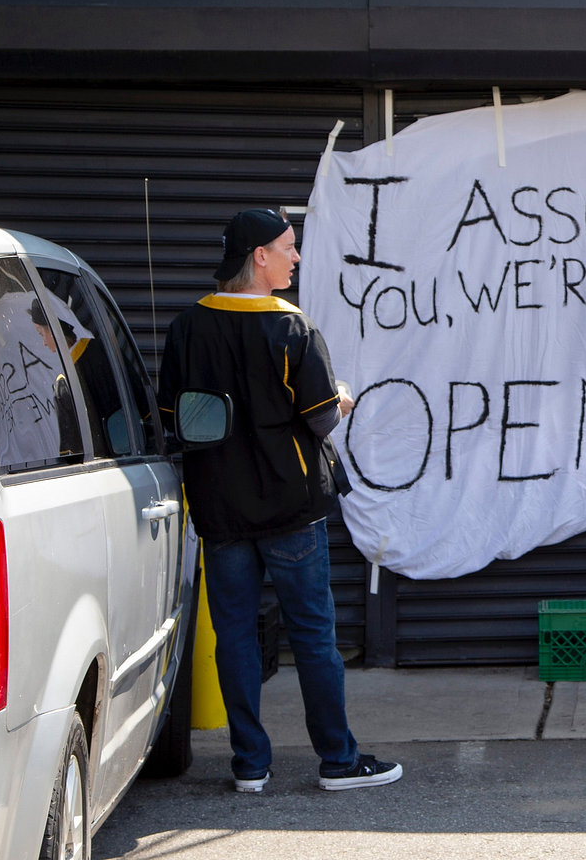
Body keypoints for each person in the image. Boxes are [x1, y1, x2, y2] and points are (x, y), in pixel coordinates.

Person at [158, 207, 401, 794]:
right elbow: (320, 421)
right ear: (259, 257)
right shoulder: (293, 328)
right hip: (292, 510)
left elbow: (172, 415)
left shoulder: (188, 326)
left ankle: (250, 765)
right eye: (288, 247)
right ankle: (338, 761)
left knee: (236, 635)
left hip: (220, 511)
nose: (296, 257)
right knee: (314, 634)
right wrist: (340, 396)